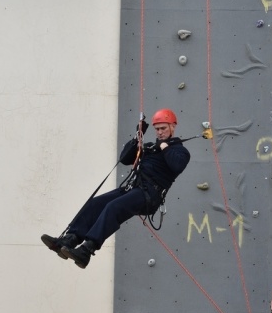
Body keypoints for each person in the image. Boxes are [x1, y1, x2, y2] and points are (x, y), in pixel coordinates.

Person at [41, 108, 191, 269]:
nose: (160, 132)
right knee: (96, 203)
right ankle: (70, 239)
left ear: (173, 127)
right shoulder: (149, 148)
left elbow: (177, 166)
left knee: (114, 207)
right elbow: (125, 159)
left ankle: (87, 250)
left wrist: (165, 147)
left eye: (163, 128)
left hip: (149, 195)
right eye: (157, 129)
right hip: (133, 188)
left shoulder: (180, 151)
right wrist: (136, 138)